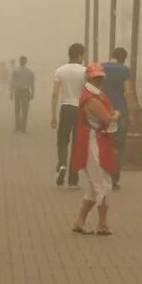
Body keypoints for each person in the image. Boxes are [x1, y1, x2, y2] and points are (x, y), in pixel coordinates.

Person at [70, 63, 121, 234]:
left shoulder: (94, 95)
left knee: (93, 187)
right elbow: (108, 119)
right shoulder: (91, 99)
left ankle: (79, 222)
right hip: (93, 141)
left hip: (95, 139)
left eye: (100, 77)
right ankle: (103, 224)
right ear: (89, 78)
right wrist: (117, 115)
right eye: (96, 78)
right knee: (102, 183)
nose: (99, 81)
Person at [49, 43, 88, 186]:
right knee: (77, 144)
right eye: (83, 54)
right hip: (80, 110)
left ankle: (63, 163)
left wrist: (53, 116)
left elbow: (54, 95)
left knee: (62, 141)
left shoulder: (60, 71)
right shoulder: (85, 72)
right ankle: (73, 176)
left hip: (65, 107)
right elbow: (88, 93)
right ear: (78, 55)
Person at [101, 47, 133, 187]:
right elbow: (128, 91)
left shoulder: (101, 67)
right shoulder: (124, 70)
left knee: (103, 142)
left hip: (103, 110)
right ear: (124, 58)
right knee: (118, 146)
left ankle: (102, 175)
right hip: (120, 111)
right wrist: (130, 111)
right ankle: (114, 178)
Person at [10, 56, 36, 133]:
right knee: (25, 110)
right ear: (26, 62)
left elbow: (12, 82)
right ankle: (23, 127)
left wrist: (11, 92)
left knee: (17, 109)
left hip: (17, 91)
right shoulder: (30, 72)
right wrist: (33, 93)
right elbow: (32, 84)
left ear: (19, 61)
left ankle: (17, 126)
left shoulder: (15, 71)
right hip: (25, 91)